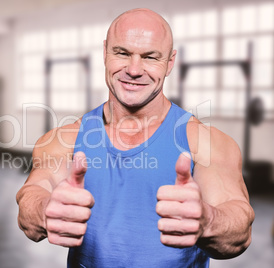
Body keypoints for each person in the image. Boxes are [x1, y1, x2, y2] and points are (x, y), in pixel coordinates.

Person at [16, 8, 255, 267]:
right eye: (122, 53)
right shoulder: (65, 138)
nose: (134, 69)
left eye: (150, 57)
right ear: (105, 52)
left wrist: (208, 220)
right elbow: (32, 195)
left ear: (170, 63)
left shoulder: (204, 141)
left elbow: (239, 227)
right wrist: (44, 210)